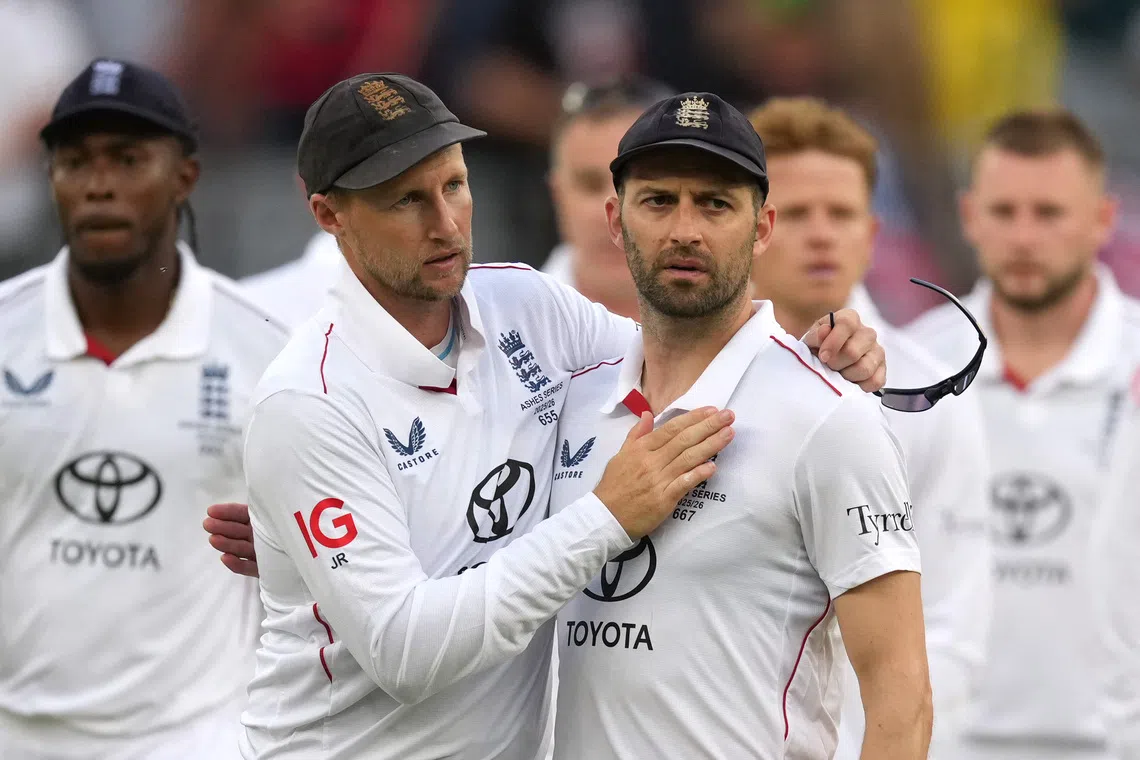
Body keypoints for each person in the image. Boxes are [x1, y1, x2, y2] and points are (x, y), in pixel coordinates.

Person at [212, 73, 888, 759]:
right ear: (330, 216)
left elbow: (694, 360)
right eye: (406, 201)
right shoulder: (308, 400)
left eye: (454, 185)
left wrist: (818, 357)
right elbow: (406, 654)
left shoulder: (528, 308)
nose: (445, 224)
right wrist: (606, 516)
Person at [549, 91, 931, 759]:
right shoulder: (566, 399)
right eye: (659, 200)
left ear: (762, 226)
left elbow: (902, 698)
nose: (685, 230)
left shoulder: (829, 418)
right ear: (616, 219)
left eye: (716, 204)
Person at [0, 60, 288, 759]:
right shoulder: (5, 328)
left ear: (185, 176)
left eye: (128, 160)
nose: (99, 184)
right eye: (75, 162)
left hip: (195, 739)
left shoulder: (268, 350)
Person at [746, 97, 993, 758]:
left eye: (842, 213)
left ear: (872, 234)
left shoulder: (935, 394)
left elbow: (949, 627)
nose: (822, 233)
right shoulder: (688, 379)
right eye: (797, 214)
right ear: (749, 227)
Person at [907, 108, 1140, 760]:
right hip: (948, 745)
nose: (1024, 237)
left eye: (1049, 212)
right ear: (969, 215)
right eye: (1004, 212)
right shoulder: (908, 370)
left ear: (1102, 219)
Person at [541, 78, 675, 319]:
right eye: (590, 185)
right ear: (557, 196)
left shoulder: (756, 322)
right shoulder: (496, 330)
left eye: (639, 185)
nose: (614, 213)